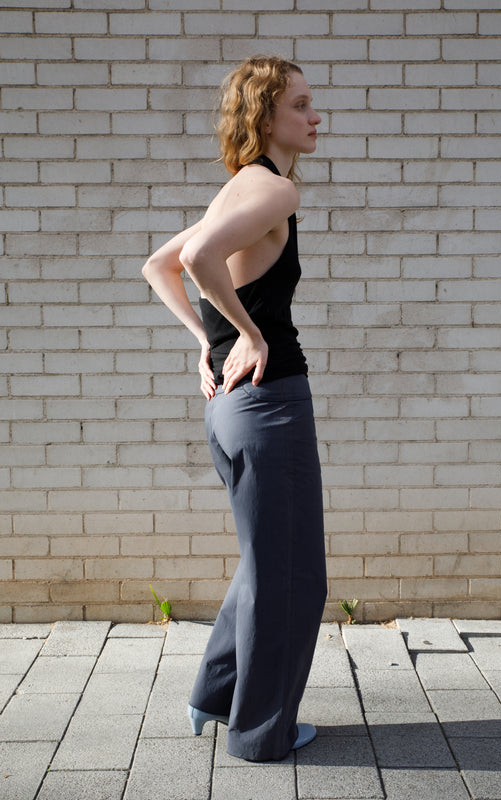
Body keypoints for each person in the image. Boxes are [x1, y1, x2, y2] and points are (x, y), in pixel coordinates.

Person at [141, 55, 327, 762]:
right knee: (292, 576)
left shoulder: (239, 188)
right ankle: (259, 736)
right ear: (265, 117)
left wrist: (206, 343)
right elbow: (192, 262)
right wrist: (243, 334)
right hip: (268, 403)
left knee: (265, 562)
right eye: (301, 106)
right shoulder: (274, 192)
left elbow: (159, 263)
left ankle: (214, 699)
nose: (315, 117)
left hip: (234, 406)